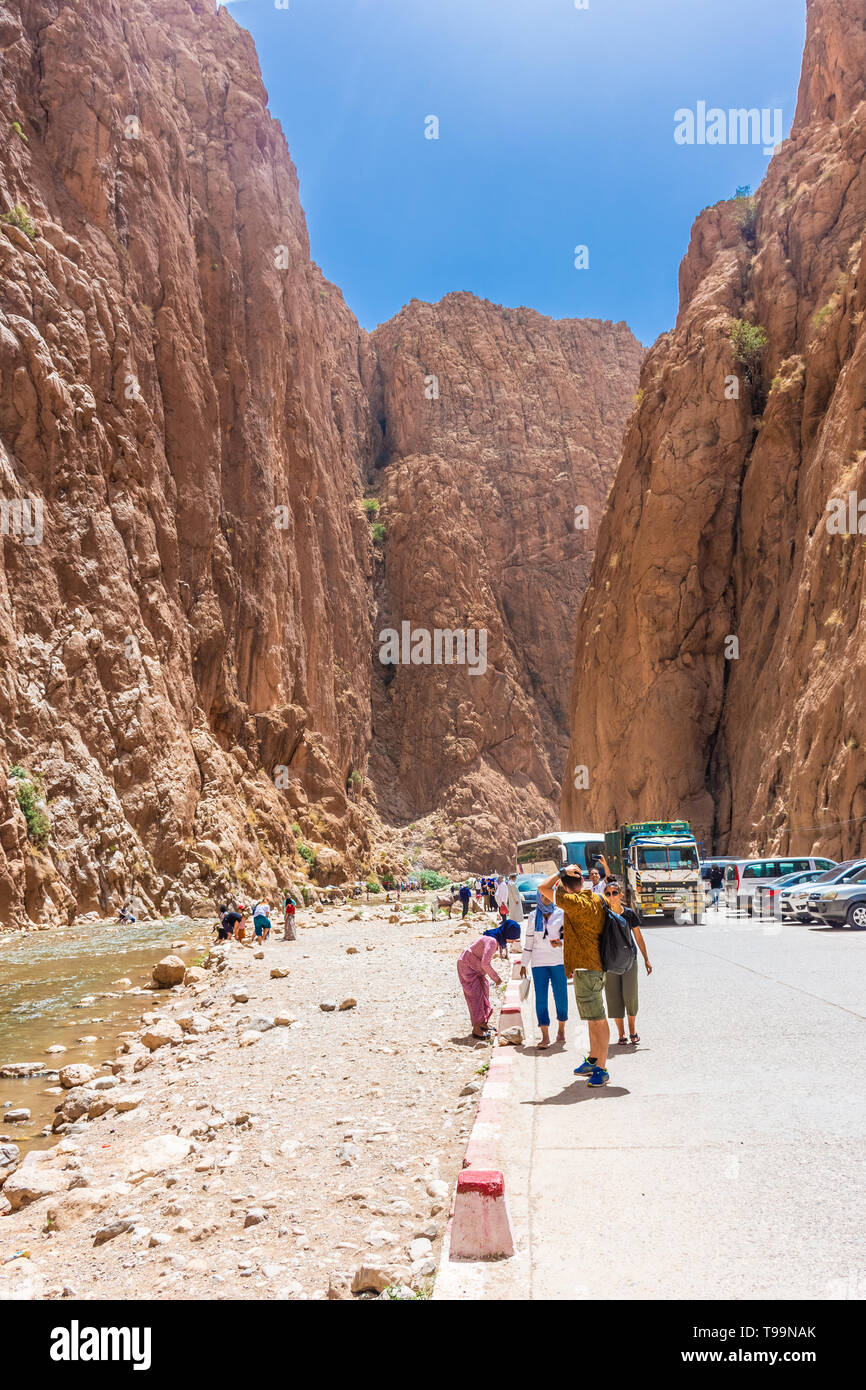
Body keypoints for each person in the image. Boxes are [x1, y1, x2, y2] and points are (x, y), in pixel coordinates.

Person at [537, 862, 610, 1087]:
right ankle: (594, 1059)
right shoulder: (595, 898)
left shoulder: (573, 902)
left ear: (567, 888)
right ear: (582, 882)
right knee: (591, 1018)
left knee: (597, 1019)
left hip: (588, 969)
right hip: (593, 966)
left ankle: (602, 1068)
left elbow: (543, 887)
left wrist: (560, 872)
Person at [602, 878, 652, 1044]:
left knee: (630, 996)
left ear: (620, 894)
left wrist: (646, 959)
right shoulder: (602, 915)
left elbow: (638, 936)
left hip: (630, 960)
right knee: (613, 997)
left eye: (614, 893)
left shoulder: (629, 913)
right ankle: (621, 1034)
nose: (611, 896)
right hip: (610, 962)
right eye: (608, 893)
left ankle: (632, 1030)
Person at [458, 921, 521, 1038]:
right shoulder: (492, 941)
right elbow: (485, 963)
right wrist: (497, 979)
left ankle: (483, 1022)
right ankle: (476, 1029)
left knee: (484, 992)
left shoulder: (495, 939)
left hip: (476, 968)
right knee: (475, 996)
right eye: (512, 938)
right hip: (467, 967)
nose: (512, 941)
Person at [520, 892, 567, 1048]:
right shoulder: (533, 916)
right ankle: (545, 1036)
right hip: (538, 963)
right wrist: (523, 964)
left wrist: (560, 943)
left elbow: (568, 937)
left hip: (558, 962)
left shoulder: (561, 913)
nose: (546, 899)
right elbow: (529, 940)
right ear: (539, 897)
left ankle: (561, 1030)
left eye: (548, 895)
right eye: (543, 896)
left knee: (560, 997)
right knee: (540, 999)